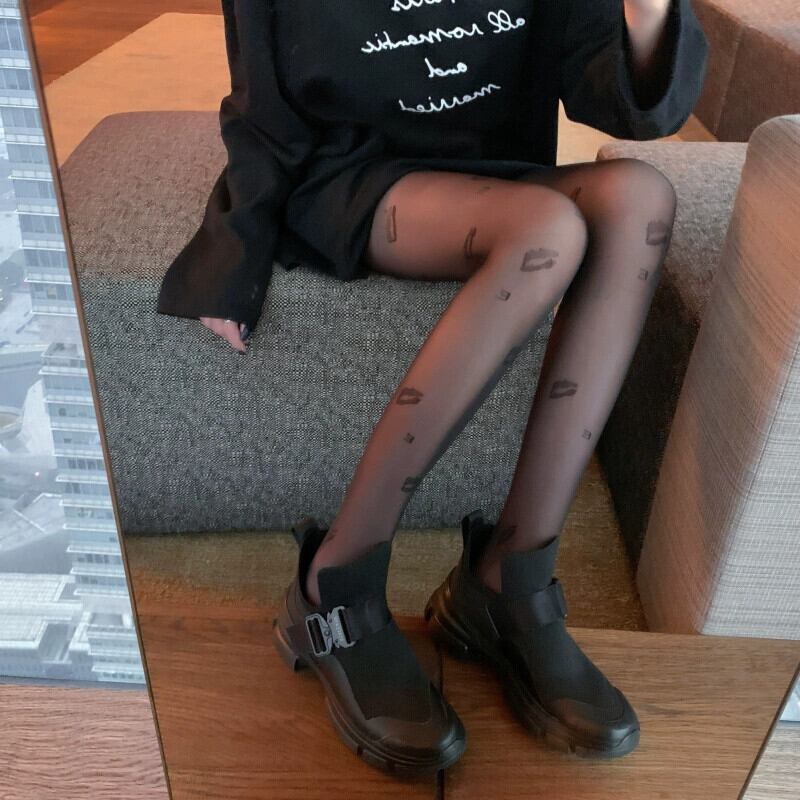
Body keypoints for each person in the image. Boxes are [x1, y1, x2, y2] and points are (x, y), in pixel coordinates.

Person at [157, 0, 709, 777]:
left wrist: (647, 9)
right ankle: (335, 584)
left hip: (495, 174)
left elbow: (616, 101)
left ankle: (509, 581)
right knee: (547, 232)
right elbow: (263, 110)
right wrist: (232, 253)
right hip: (350, 175)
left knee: (641, 198)